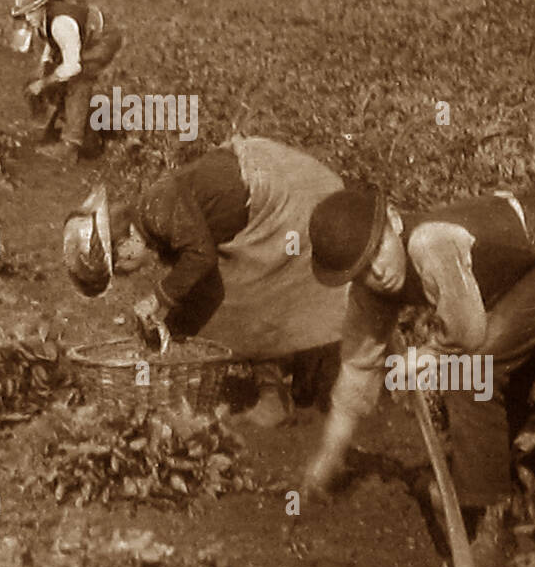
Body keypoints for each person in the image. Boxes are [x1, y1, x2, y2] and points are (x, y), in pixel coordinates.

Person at [305, 185, 535, 567]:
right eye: (361, 270)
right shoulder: (370, 290)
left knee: (469, 372)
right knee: (493, 369)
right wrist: (327, 460)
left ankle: (490, 522)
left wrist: (427, 355)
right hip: (506, 272)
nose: (377, 271)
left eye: (378, 250)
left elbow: (467, 334)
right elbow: (358, 370)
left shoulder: (430, 244)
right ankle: (505, 474)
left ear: (394, 221)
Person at [61, 137, 352, 426]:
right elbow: (204, 287)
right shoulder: (158, 220)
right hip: (270, 188)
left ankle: (296, 394)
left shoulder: (157, 209)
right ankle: (282, 389)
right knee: (245, 295)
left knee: (267, 295)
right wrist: (169, 332)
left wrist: (157, 299)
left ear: (123, 247)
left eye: (123, 268)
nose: (132, 272)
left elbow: (201, 260)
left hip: (288, 192)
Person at [10, 0, 122, 161]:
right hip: (80, 39)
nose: (28, 17)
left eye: (31, 12)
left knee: (78, 79)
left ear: (41, 7)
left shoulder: (60, 23)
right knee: (51, 78)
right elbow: (51, 43)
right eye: (25, 13)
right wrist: (44, 67)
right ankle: (89, 130)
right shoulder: (41, 22)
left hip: (102, 39)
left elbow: (72, 66)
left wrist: (45, 82)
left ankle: (71, 144)